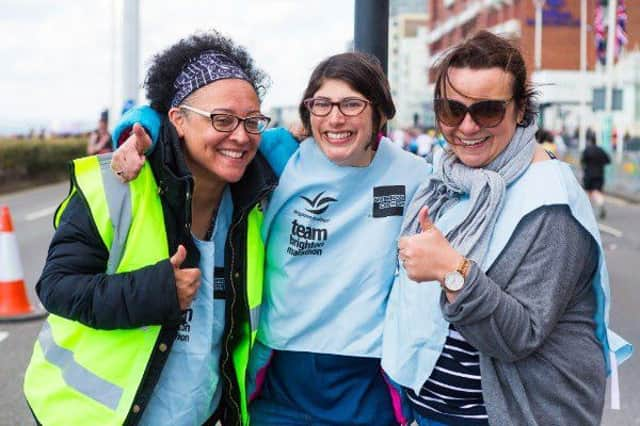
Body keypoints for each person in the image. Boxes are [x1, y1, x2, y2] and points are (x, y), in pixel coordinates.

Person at [109, 52, 431, 425]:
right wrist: (132, 131)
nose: (335, 118)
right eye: (322, 104)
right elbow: (183, 118)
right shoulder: (282, 154)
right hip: (280, 373)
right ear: (307, 111)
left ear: (381, 111)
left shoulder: (415, 175)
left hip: (367, 376)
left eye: (352, 104)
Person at [23, 30, 275, 426]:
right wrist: (156, 291)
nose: (241, 136)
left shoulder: (256, 200)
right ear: (177, 120)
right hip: (90, 416)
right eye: (222, 120)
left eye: (253, 121)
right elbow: (56, 286)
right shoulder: (118, 185)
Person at [383, 30, 629, 425]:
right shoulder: (449, 180)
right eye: (451, 109)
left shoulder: (551, 204)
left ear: (520, 112)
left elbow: (519, 335)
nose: (466, 126)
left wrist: (453, 271)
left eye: (487, 111)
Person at [581, 136, 611, 219]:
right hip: (599, 174)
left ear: (589, 142)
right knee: (597, 192)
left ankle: (587, 211)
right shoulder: (601, 150)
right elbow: (608, 161)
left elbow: (582, 162)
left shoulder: (587, 150)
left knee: (588, 192)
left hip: (589, 174)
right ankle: (601, 205)